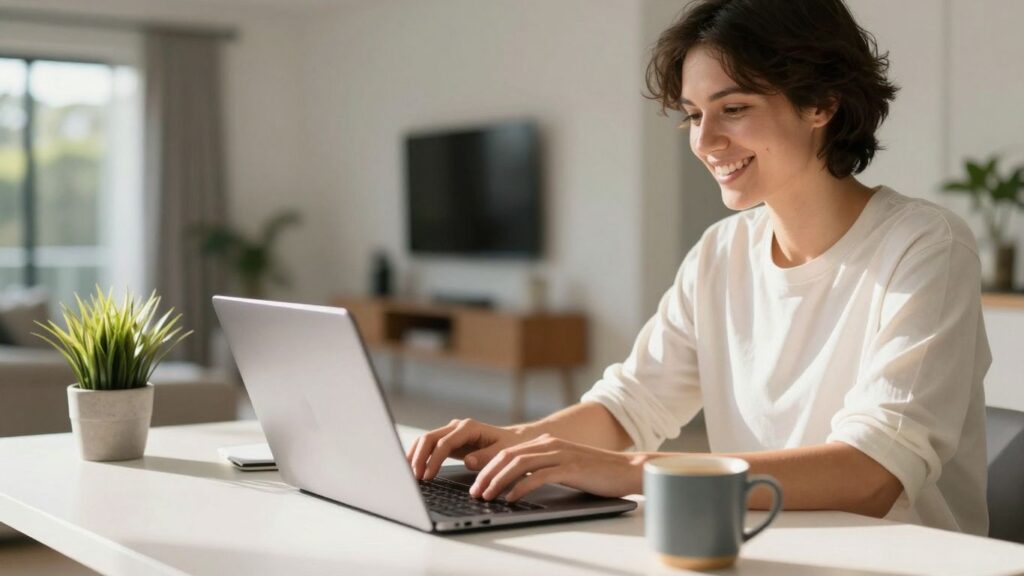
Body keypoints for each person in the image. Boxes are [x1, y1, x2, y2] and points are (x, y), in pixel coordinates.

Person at [406, 0, 991, 535]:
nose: (706, 140)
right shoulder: (721, 251)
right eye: (692, 114)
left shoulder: (926, 246)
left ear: (823, 103)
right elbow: (631, 404)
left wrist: (631, 470)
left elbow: (872, 474)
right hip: (758, 548)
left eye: (733, 108)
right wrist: (516, 442)